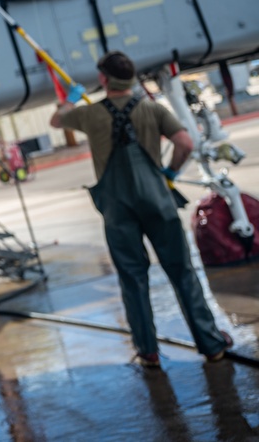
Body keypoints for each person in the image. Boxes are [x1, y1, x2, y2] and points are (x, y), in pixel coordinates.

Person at [50, 51, 233, 368]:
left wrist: (70, 99)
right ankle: (211, 343)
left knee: (133, 278)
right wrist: (171, 173)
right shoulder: (152, 109)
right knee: (182, 273)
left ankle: (147, 350)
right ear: (131, 78)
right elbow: (185, 143)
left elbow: (56, 120)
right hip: (157, 202)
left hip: (117, 210)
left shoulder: (90, 114)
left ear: (104, 79)